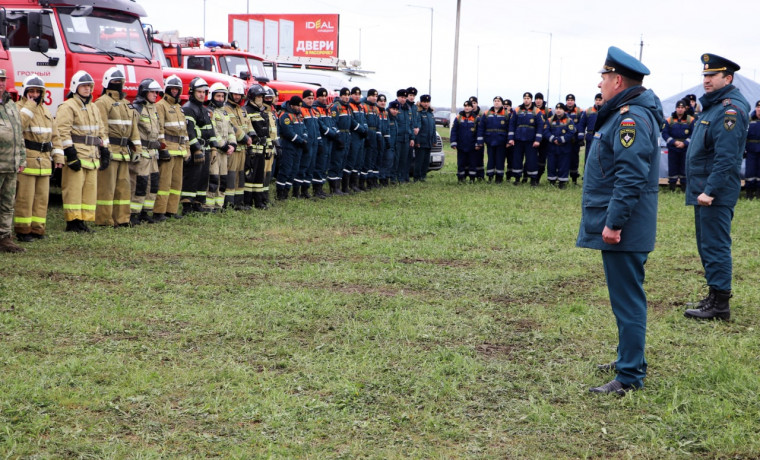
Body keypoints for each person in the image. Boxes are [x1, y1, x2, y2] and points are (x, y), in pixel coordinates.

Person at [578, 46, 663, 395]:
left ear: (616, 79)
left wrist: (613, 223)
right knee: (624, 298)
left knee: (628, 300)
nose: (600, 82)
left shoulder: (630, 118)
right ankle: (628, 358)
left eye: (603, 76)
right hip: (622, 224)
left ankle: (629, 376)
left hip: (623, 228)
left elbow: (630, 176)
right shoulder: (624, 113)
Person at [683, 54, 749, 321]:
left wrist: (710, 191)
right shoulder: (714, 106)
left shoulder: (729, 110)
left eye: (712, 76)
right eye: (705, 76)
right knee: (707, 244)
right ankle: (714, 294)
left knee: (716, 245)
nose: (706, 80)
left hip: (714, 192)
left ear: (728, 78)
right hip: (704, 189)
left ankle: (720, 305)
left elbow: (727, 158)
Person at [57, 70, 108, 233]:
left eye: (89, 86)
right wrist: (70, 154)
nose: (87, 89)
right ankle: (72, 222)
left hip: (92, 156)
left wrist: (105, 150)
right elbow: (62, 131)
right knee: (73, 190)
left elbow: (101, 130)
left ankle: (82, 221)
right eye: (83, 86)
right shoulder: (68, 106)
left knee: (88, 191)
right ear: (75, 87)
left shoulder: (93, 107)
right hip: (77, 155)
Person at [13, 75, 62, 242]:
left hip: (45, 161)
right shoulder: (18, 108)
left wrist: (58, 156)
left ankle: (37, 229)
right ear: (24, 92)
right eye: (31, 91)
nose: (34, 94)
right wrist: (30, 106)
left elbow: (55, 136)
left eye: (37, 91)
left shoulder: (46, 111)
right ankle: (23, 230)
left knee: (42, 198)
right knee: (25, 198)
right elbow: (18, 126)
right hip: (27, 160)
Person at [93, 67, 140, 227]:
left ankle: (122, 219)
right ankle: (104, 220)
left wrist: (137, 149)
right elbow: (102, 128)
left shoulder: (128, 105)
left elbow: (134, 130)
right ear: (107, 83)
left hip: (124, 153)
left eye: (120, 82)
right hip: (111, 150)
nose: (118, 84)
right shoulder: (102, 102)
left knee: (123, 188)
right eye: (115, 81)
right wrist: (104, 150)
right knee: (107, 188)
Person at [0, 68, 27, 253]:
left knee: (8, 203)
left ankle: (4, 237)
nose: (1, 83)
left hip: (11, 164)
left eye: (3, 80)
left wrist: (22, 159)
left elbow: (19, 135)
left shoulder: (11, 105)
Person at [154, 74, 188, 220]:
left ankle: (171, 211)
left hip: (180, 151)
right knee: (164, 182)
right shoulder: (160, 105)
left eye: (177, 89)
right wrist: (163, 149)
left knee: (176, 183)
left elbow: (185, 132)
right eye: (172, 88)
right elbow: (159, 129)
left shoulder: (180, 108)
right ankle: (159, 211)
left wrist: (187, 149)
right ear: (166, 89)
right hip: (168, 150)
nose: (175, 91)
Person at [131, 78, 163, 222]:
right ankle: (134, 213)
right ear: (144, 92)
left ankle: (146, 212)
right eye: (152, 92)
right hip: (142, 152)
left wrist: (161, 146)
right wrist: (135, 150)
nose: (155, 94)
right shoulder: (137, 108)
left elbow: (159, 129)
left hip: (153, 153)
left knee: (153, 183)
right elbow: (133, 130)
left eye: (156, 92)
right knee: (140, 183)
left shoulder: (153, 108)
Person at [181, 77, 215, 214]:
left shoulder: (205, 110)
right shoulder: (188, 108)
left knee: (203, 178)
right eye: (199, 92)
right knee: (192, 177)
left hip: (205, 149)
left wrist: (214, 148)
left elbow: (210, 130)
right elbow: (189, 132)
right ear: (192, 92)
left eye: (204, 92)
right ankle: (187, 206)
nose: (202, 94)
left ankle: (198, 203)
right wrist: (196, 149)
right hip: (196, 150)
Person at [225, 81, 254, 209]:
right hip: (234, 148)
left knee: (240, 176)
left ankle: (238, 202)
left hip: (243, 149)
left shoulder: (241, 110)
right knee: (231, 176)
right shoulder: (226, 109)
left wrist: (252, 135)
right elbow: (232, 127)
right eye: (234, 94)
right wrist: (245, 137)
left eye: (239, 95)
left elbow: (248, 124)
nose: (237, 97)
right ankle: (229, 203)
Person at [244, 84, 272, 208]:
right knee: (250, 177)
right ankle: (248, 201)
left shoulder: (262, 112)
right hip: (252, 149)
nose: (260, 99)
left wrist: (269, 147)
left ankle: (259, 201)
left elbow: (267, 131)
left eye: (262, 96)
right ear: (252, 97)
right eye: (258, 96)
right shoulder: (247, 110)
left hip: (262, 148)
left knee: (259, 177)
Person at [508, 92, 544, 186]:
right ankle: (517, 178)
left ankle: (533, 179)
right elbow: (512, 124)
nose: (526, 100)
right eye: (525, 98)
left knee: (532, 160)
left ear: (531, 100)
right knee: (517, 160)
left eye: (528, 98)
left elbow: (540, 126)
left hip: (531, 140)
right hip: (518, 139)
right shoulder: (517, 110)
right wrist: (511, 138)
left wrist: (537, 140)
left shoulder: (536, 111)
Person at [276, 95, 307, 200]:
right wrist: (300, 140)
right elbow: (288, 132)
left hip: (298, 147)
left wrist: (304, 139)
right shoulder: (285, 115)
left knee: (294, 170)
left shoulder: (299, 115)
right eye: (298, 106)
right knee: (286, 169)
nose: (299, 108)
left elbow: (304, 129)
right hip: (288, 146)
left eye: (300, 106)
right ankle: (280, 193)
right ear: (292, 105)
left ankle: (286, 191)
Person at [661, 99, 695, 192]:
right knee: (673, 167)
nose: (680, 109)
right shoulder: (669, 120)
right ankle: (672, 187)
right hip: (673, 148)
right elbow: (664, 133)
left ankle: (684, 188)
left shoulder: (690, 120)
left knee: (684, 167)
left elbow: (694, 133)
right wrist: (674, 142)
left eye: (682, 107)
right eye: (678, 107)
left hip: (685, 149)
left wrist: (685, 143)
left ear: (685, 109)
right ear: (676, 108)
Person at [477, 96, 511, 183]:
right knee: (491, 159)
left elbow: (510, 128)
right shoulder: (487, 113)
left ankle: (499, 178)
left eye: (499, 101)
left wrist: (509, 140)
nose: (496, 102)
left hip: (501, 141)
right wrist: (480, 141)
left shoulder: (506, 114)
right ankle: (490, 176)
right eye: (495, 101)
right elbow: (481, 128)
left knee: (500, 160)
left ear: (502, 103)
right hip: (490, 140)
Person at [543, 102, 576, 189]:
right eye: (557, 108)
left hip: (564, 147)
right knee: (551, 164)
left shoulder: (569, 121)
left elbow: (571, 132)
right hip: (552, 146)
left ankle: (562, 182)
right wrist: (553, 139)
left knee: (563, 164)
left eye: (560, 109)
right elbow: (546, 132)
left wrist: (561, 140)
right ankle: (552, 180)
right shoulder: (550, 120)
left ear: (564, 110)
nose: (558, 110)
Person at [313, 87, 337, 197]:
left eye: (325, 96)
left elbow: (332, 122)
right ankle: (316, 190)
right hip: (322, 139)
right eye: (321, 96)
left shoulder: (327, 109)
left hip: (329, 140)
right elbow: (320, 125)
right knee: (320, 164)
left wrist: (335, 132)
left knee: (326, 164)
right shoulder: (315, 108)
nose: (323, 98)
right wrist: (330, 132)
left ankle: (321, 188)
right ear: (317, 97)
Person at [329, 88, 354, 194]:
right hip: (339, 136)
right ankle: (333, 187)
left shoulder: (348, 108)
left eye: (348, 95)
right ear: (340, 96)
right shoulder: (336, 107)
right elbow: (333, 123)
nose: (347, 97)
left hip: (347, 136)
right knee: (336, 162)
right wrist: (338, 137)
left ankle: (338, 186)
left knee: (343, 162)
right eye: (345, 95)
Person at [297, 89, 320, 199]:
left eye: (312, 98)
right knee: (303, 167)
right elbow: (301, 128)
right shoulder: (301, 111)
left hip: (314, 143)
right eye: (308, 98)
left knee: (311, 167)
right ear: (303, 99)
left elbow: (317, 128)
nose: (311, 101)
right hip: (306, 143)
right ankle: (297, 190)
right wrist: (304, 141)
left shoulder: (314, 111)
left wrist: (319, 141)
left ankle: (305, 190)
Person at [450, 100, 478, 183]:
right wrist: (453, 142)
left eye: (469, 106)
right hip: (461, 145)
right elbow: (454, 130)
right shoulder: (459, 118)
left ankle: (472, 178)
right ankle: (461, 178)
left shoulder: (476, 118)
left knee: (472, 162)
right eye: (465, 106)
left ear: (472, 108)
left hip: (472, 145)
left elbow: (479, 132)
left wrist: (478, 143)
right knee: (461, 162)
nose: (467, 108)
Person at [414, 94, 436, 182]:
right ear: (421, 102)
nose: (426, 104)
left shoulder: (431, 114)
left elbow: (433, 128)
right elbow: (417, 128)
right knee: (419, 160)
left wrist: (434, 140)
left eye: (427, 102)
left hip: (429, 141)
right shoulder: (419, 113)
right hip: (421, 141)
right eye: (424, 102)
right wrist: (417, 141)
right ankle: (417, 177)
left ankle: (423, 176)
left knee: (426, 161)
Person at [565, 94, 584, 184]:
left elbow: (581, 125)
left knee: (574, 159)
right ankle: (563, 177)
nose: (570, 101)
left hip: (575, 140)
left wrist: (580, 138)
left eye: (572, 100)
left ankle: (574, 179)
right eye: (568, 100)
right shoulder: (561, 110)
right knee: (564, 158)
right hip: (564, 139)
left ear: (574, 101)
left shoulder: (579, 111)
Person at [578, 93, 604, 160]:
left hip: (602, 137)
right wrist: (581, 137)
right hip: (590, 136)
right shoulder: (588, 111)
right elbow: (582, 124)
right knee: (588, 157)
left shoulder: (606, 110)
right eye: (596, 100)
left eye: (600, 100)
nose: (597, 101)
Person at [745, 100, 760, 199]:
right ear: (755, 108)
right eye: (758, 107)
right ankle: (749, 192)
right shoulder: (749, 119)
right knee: (750, 172)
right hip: (751, 150)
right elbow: (744, 135)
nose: (759, 109)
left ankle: (759, 192)